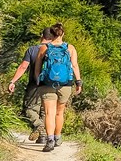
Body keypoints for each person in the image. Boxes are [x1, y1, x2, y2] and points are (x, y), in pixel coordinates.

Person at [34, 23, 82, 153]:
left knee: (49, 113)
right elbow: (75, 66)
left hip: (47, 84)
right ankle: (58, 137)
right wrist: (78, 82)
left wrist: (38, 81)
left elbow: (37, 68)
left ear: (51, 34)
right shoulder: (70, 48)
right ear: (63, 34)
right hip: (65, 85)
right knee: (59, 112)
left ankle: (50, 140)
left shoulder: (44, 48)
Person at [7, 26, 57, 143]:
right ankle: (43, 138)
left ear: (42, 36)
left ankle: (42, 130)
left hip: (35, 85)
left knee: (28, 109)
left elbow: (23, 66)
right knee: (45, 112)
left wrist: (13, 81)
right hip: (52, 86)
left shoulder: (33, 50)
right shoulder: (56, 50)